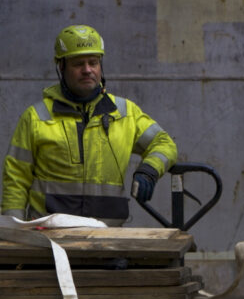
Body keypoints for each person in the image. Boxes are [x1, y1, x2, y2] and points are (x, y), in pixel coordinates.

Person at [3, 25, 177, 226]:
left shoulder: (124, 113)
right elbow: (16, 180)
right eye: (78, 64)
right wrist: (13, 231)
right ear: (61, 67)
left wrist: (149, 169)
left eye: (93, 62)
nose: (87, 70)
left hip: (108, 238)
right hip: (50, 239)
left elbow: (164, 143)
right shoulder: (36, 117)